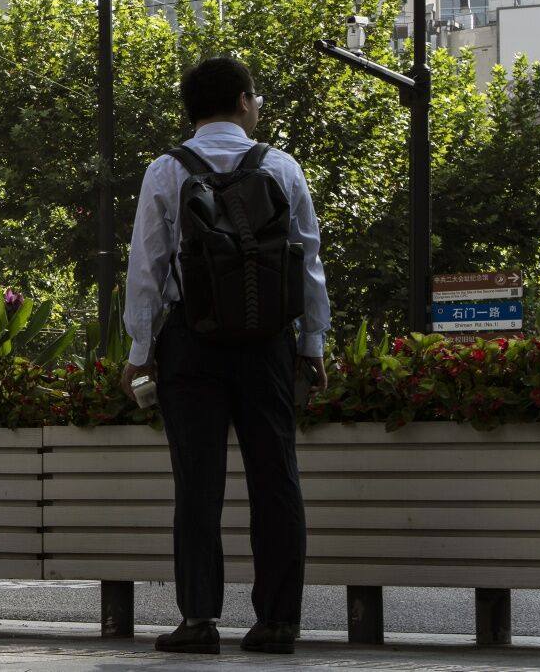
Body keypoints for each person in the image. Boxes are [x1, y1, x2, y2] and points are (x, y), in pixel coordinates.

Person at [123, 56, 329, 657]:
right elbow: (308, 263)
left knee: (197, 483)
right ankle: (277, 622)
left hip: (193, 343)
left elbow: (147, 267)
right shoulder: (281, 167)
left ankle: (198, 621)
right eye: (255, 97)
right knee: (276, 478)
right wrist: (312, 345)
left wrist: (140, 351)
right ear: (242, 101)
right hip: (267, 342)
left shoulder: (167, 171)